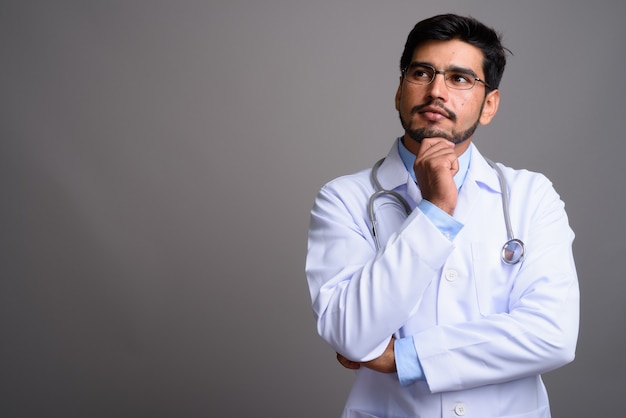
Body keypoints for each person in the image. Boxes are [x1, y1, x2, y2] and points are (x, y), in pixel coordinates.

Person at [305, 13, 579, 418]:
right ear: (399, 91)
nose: (437, 91)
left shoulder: (530, 196)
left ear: (489, 105)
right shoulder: (344, 198)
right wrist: (435, 211)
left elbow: (552, 336)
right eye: (422, 73)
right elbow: (350, 334)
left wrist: (405, 357)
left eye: (460, 78)